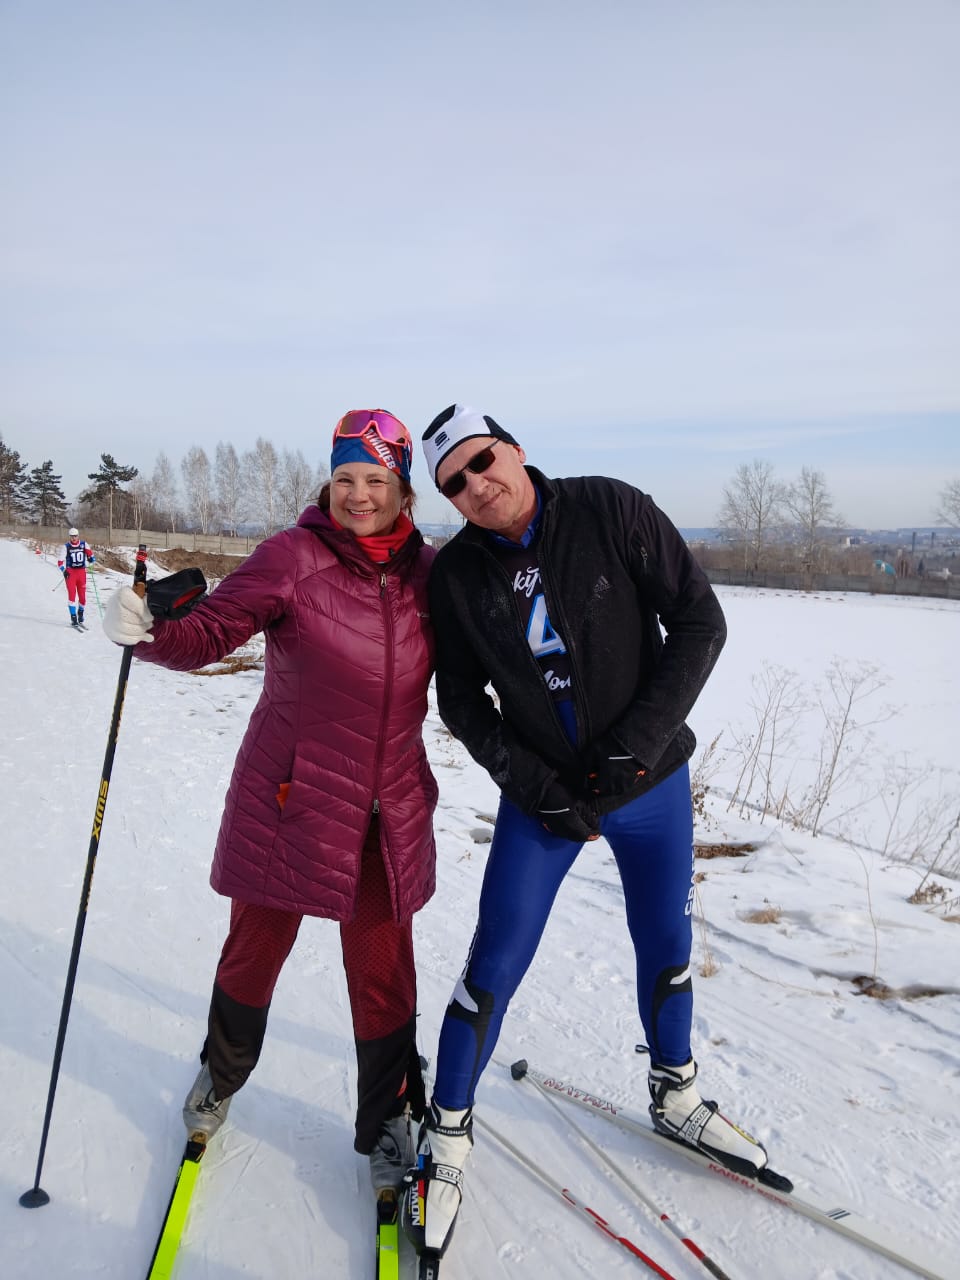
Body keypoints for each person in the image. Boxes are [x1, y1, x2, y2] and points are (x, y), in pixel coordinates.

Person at [402, 404, 774, 1262]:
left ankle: (675, 1092)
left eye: (483, 461)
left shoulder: (609, 507)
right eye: (453, 483)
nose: (476, 485)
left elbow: (700, 622)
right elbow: (460, 701)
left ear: (515, 449)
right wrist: (532, 784)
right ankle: (447, 1132)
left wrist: (635, 747)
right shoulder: (456, 576)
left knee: (667, 941)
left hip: (650, 785)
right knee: (494, 963)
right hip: (546, 801)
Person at [102, 410, 438, 1198]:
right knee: (253, 955)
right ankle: (219, 1077)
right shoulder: (292, 556)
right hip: (291, 800)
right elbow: (212, 631)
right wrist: (150, 631)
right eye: (345, 478)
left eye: (376, 480)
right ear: (330, 482)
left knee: (384, 972)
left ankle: (390, 1114)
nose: (359, 495)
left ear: (403, 490)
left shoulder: (432, 576)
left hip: (384, 811)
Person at [58, 527, 96, 628]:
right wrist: (64, 571)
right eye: (72, 536)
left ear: (78, 536)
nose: (74, 538)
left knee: (82, 598)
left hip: (81, 573)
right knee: (72, 596)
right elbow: (60, 563)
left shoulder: (84, 544)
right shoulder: (66, 547)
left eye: (75, 536)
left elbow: (92, 558)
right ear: (69, 537)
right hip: (71, 574)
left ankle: (80, 613)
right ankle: (73, 617)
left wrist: (90, 560)